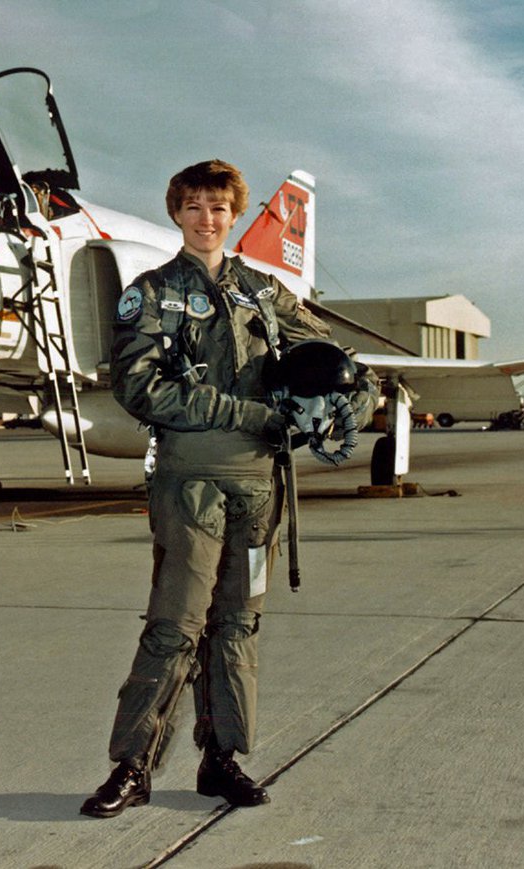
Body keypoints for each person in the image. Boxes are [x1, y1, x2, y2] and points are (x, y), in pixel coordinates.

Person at [80, 160, 333, 818]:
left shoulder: (263, 292)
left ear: (234, 215)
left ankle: (222, 758)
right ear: (176, 212)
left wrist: (340, 399)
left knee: (239, 623)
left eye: (219, 207)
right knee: (175, 624)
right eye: (194, 206)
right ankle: (133, 766)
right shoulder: (151, 293)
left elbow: (325, 354)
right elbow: (139, 387)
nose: (207, 218)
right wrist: (247, 413)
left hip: (257, 493)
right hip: (191, 485)